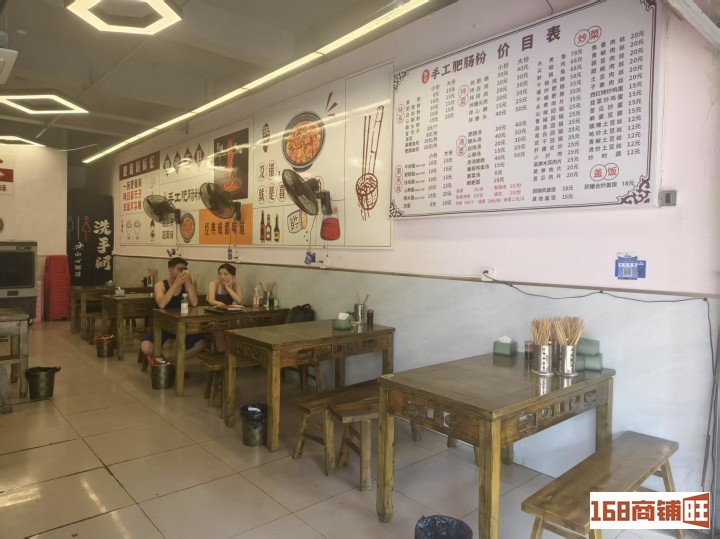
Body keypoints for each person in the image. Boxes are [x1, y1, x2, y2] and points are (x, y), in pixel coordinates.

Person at [140, 257, 206, 359]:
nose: (182, 272)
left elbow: (194, 303)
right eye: (179, 269)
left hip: (183, 325)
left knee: (201, 344)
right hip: (163, 324)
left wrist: (188, 283)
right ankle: (163, 361)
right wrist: (175, 285)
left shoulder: (187, 284)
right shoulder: (160, 285)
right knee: (146, 348)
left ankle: (176, 361)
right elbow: (161, 304)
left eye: (184, 270)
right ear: (170, 269)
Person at [207, 263, 243, 352]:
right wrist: (222, 304)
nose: (222, 277)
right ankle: (221, 355)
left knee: (236, 328)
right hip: (212, 315)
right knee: (218, 329)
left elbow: (239, 301)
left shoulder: (236, 285)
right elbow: (211, 300)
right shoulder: (214, 284)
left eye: (225, 274)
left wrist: (228, 288)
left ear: (233, 276)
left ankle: (232, 355)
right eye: (220, 274)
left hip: (228, 316)